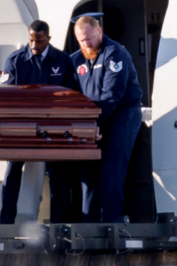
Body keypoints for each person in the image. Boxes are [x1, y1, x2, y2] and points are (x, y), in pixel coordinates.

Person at [0, 20, 81, 224]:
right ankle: (6, 222)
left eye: (40, 41)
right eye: (31, 40)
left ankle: (58, 224)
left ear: (49, 39)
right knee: (13, 169)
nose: (34, 46)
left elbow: (71, 94)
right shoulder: (16, 60)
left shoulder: (62, 61)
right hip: (23, 125)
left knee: (58, 171)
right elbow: (6, 96)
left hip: (53, 125)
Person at [70, 12, 143, 222]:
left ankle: (112, 224)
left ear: (100, 31)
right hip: (93, 121)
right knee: (88, 175)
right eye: (81, 40)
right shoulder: (75, 60)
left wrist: (95, 124)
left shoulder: (115, 53)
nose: (86, 44)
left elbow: (112, 95)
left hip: (122, 114)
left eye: (89, 38)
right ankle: (88, 228)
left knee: (111, 171)